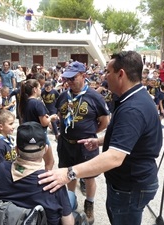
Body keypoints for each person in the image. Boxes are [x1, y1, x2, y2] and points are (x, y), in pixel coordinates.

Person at [38, 51, 163, 225]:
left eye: (108, 72)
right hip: (124, 182)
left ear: (121, 74)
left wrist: (69, 173)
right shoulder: (133, 99)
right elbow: (128, 136)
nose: (105, 76)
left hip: (129, 186)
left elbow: (114, 157)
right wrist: (98, 141)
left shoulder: (133, 108)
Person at [0, 121, 75, 225]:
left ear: (16, 150)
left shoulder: (0, 169)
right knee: (71, 196)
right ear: (45, 149)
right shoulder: (53, 183)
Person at [53, 61, 110, 224]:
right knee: (69, 175)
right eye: (67, 79)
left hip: (86, 146)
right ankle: (70, 202)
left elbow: (105, 121)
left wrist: (91, 133)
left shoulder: (95, 97)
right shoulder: (63, 95)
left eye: (73, 78)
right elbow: (61, 115)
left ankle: (89, 203)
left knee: (89, 177)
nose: (69, 82)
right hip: (65, 144)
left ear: (84, 76)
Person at [18, 79, 58, 171]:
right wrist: (51, 118)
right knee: (50, 162)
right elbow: (44, 122)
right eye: (40, 87)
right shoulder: (37, 103)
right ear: (35, 89)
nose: (41, 89)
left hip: (28, 134)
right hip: (39, 135)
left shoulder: (24, 103)